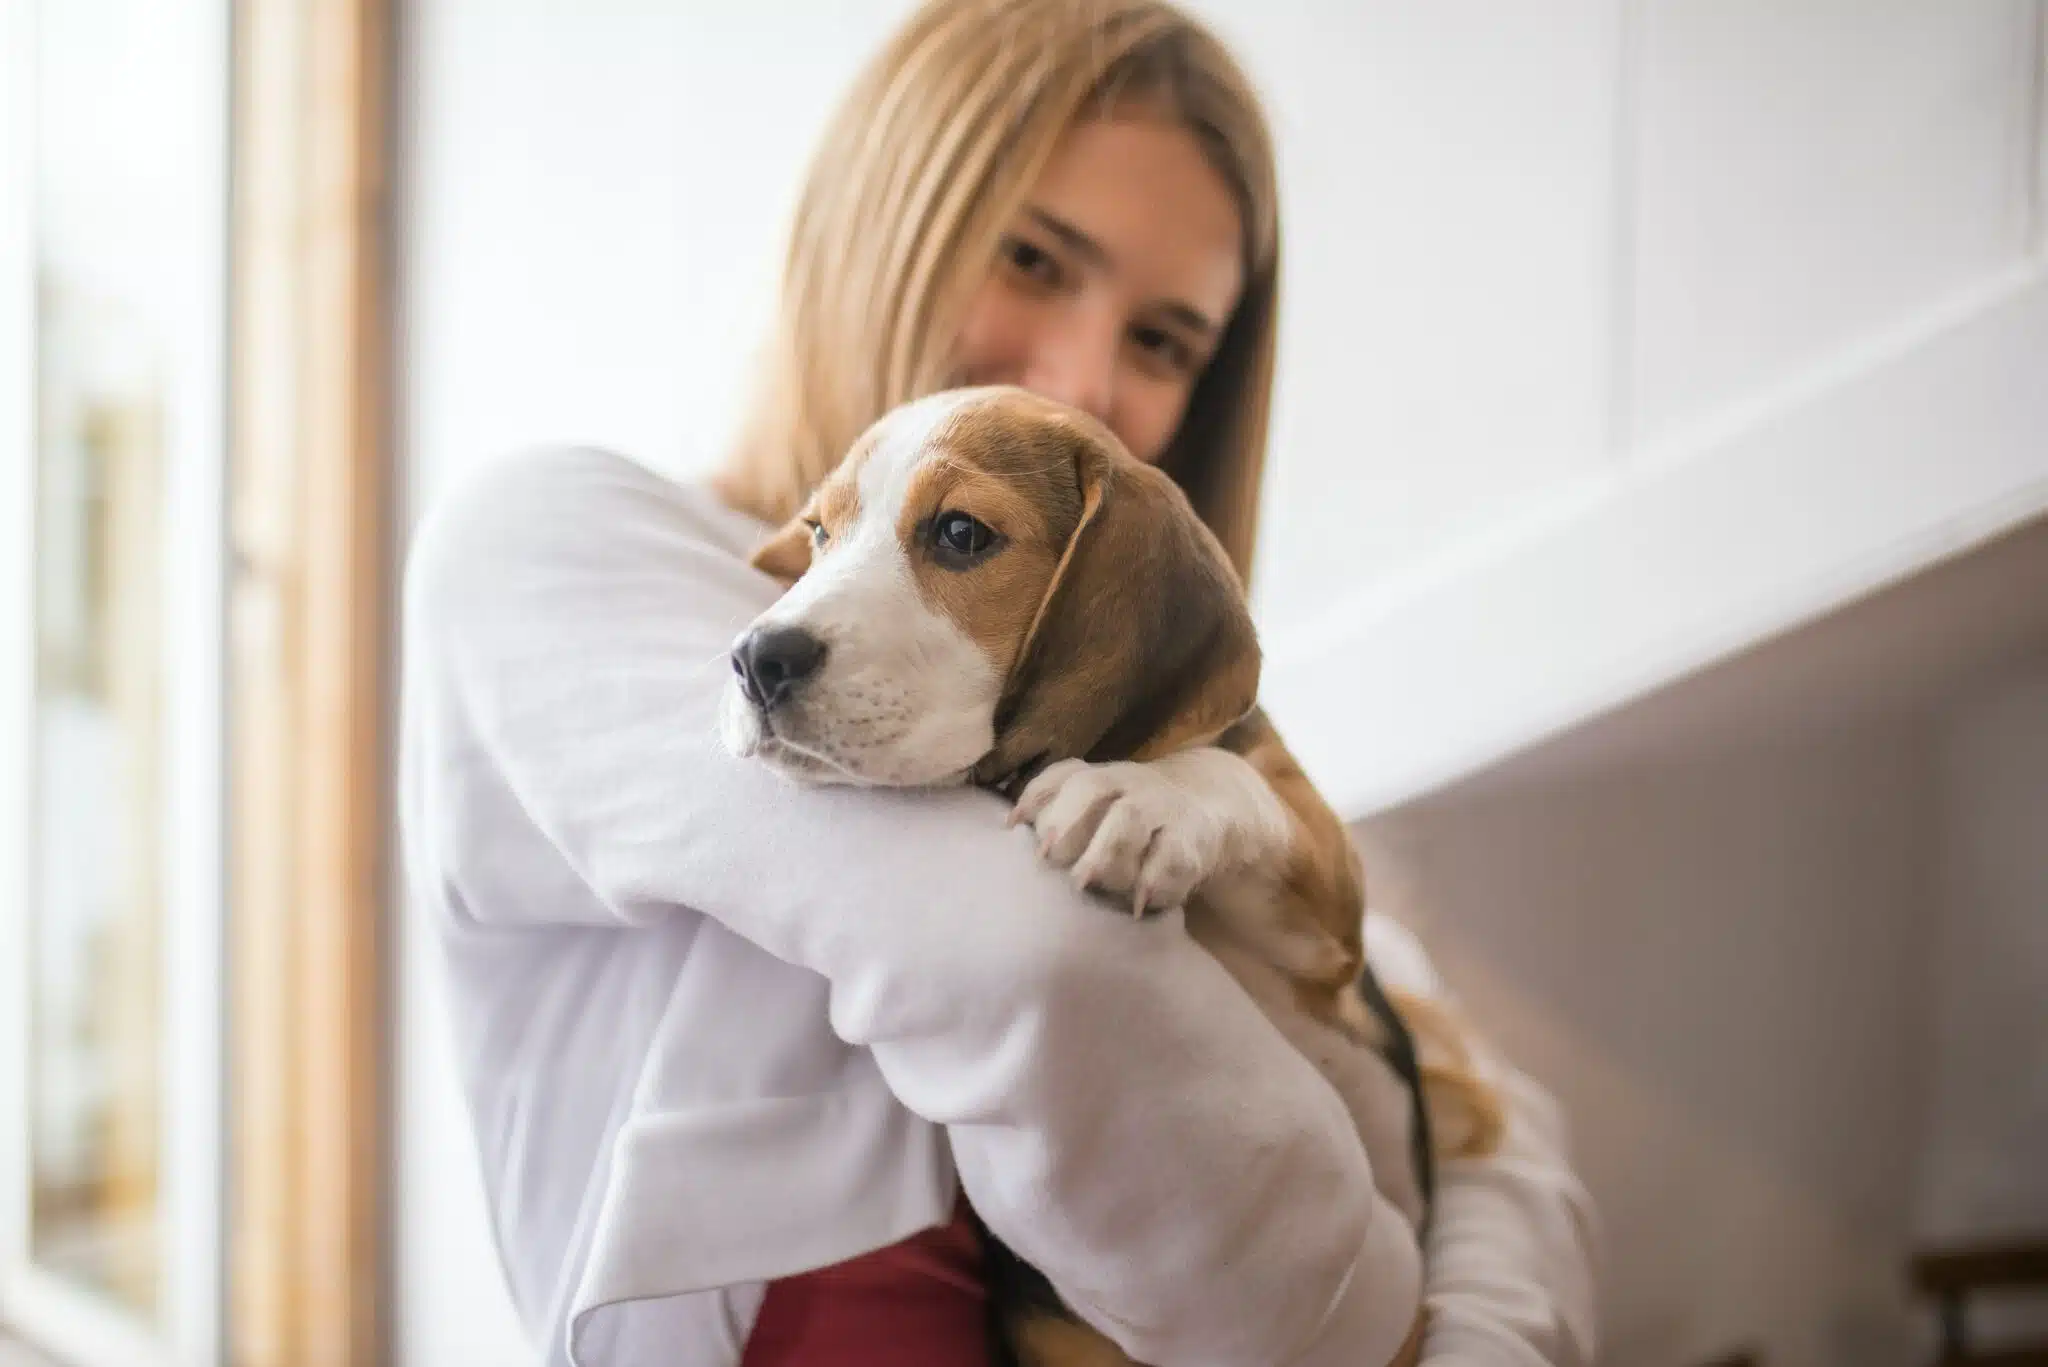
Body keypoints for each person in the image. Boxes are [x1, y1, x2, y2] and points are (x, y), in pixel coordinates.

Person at [397, 2, 1598, 1365]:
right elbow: (1041, 969)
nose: (1084, 378)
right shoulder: (562, 545)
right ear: (880, 211)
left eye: (1164, 342)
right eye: (1034, 256)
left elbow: (1484, 1116)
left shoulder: (1139, 757)